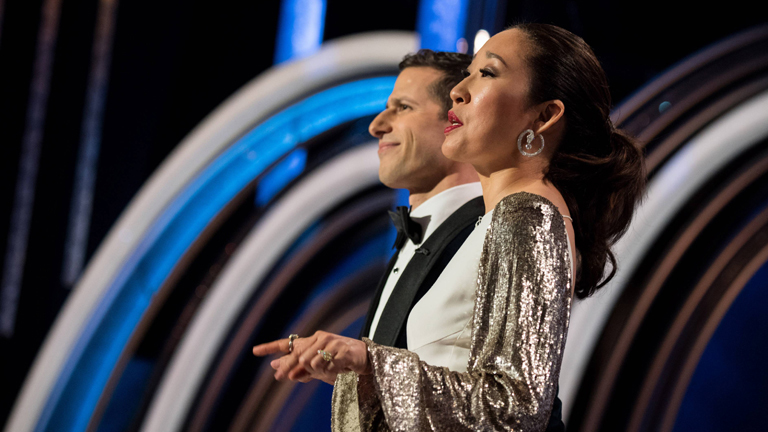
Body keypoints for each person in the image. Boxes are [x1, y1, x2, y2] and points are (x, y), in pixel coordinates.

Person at [254, 23, 645, 432]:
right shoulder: (508, 216)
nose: (459, 90)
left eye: (487, 73)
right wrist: (362, 371)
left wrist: (370, 362)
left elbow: (514, 408)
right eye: (468, 72)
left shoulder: (527, 214)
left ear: (544, 116)